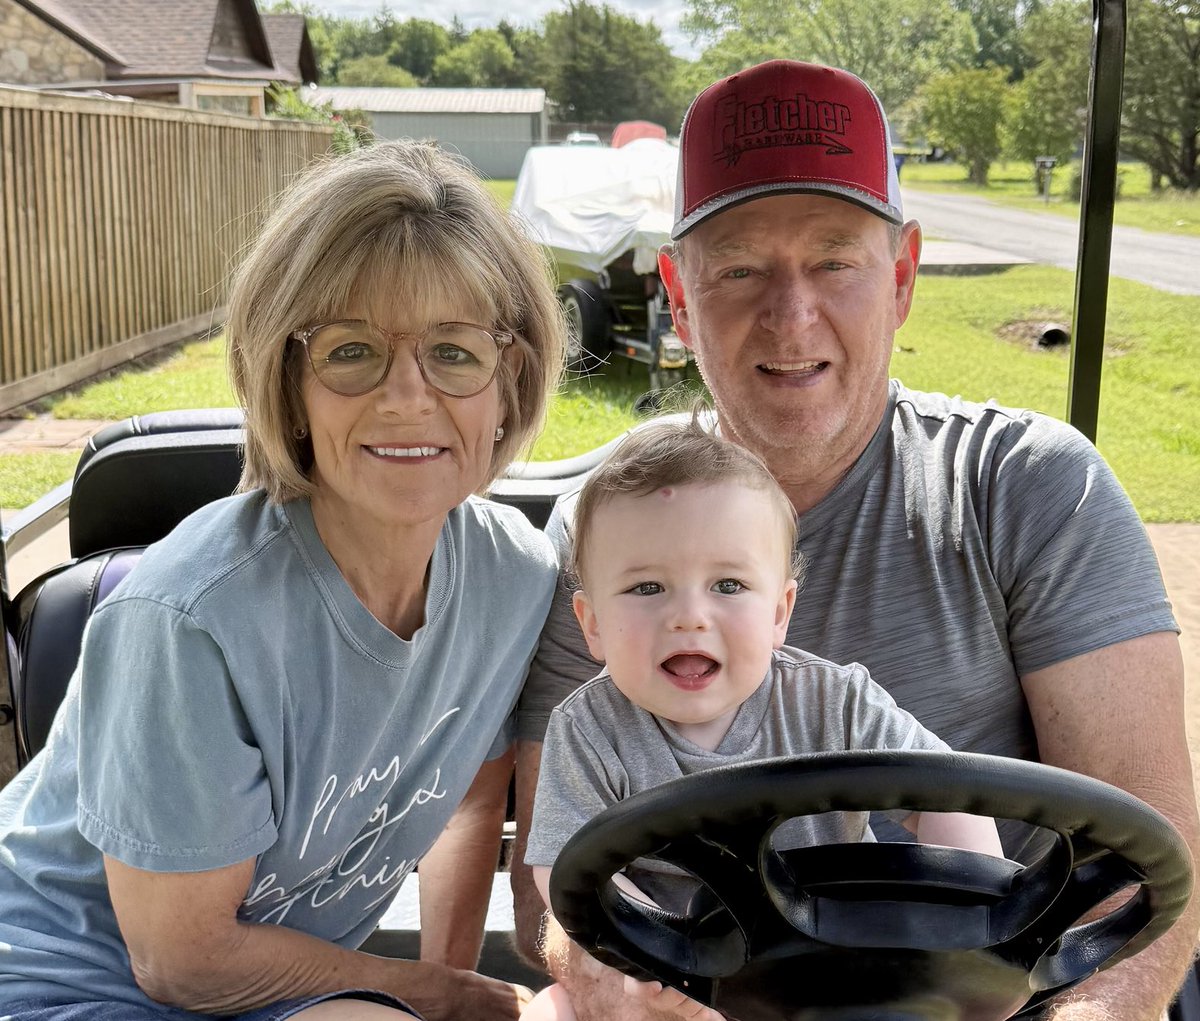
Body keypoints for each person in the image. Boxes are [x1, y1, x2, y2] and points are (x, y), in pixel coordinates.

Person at [510, 58, 1199, 1021]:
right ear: (679, 292)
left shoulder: (1031, 486)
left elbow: (1145, 869)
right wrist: (611, 984)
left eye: (835, 262)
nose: (792, 316)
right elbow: (557, 896)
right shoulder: (605, 533)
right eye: (740, 268)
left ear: (903, 276)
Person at [0, 140, 564, 1020]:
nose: (407, 397)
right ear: (289, 381)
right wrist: (423, 991)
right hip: (69, 987)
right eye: (351, 351)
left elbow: (469, 798)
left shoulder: (513, 578)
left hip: (275, 985)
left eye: (454, 352)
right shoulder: (190, 617)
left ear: (510, 379)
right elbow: (182, 963)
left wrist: (445, 989)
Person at [519, 416, 1003, 1021]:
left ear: (779, 612)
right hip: (673, 979)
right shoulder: (590, 730)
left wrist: (976, 914)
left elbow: (948, 798)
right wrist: (650, 943)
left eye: (727, 584)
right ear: (592, 624)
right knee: (551, 1012)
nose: (689, 616)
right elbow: (562, 866)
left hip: (834, 971)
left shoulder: (836, 703)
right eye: (647, 588)